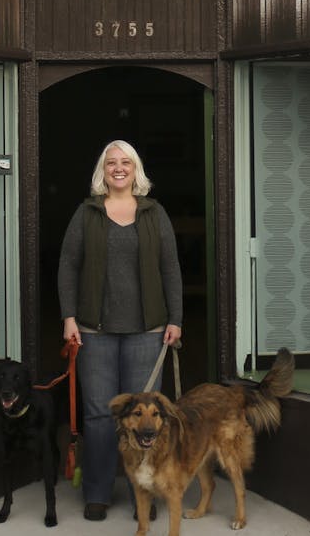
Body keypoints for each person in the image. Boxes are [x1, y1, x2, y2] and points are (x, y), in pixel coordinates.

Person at [58, 139, 183, 522]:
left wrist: (175, 319)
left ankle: (142, 496)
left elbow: (170, 268)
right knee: (98, 415)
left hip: (148, 330)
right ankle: (96, 493)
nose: (118, 168)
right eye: (111, 162)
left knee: (146, 419)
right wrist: (68, 318)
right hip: (94, 332)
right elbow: (68, 266)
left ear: (135, 170)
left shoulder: (154, 213)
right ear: (102, 170)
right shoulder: (86, 213)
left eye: (125, 162)